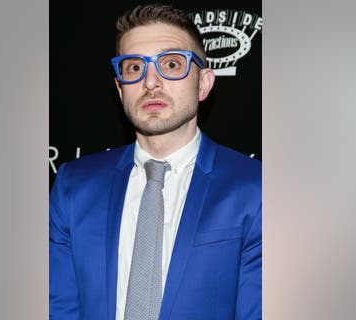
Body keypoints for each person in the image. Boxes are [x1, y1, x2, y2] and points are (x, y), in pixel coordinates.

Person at [49, 3, 261, 319]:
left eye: (172, 64)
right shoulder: (73, 187)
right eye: (134, 67)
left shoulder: (256, 189)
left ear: (203, 83)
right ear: (120, 89)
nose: (151, 82)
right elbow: (59, 308)